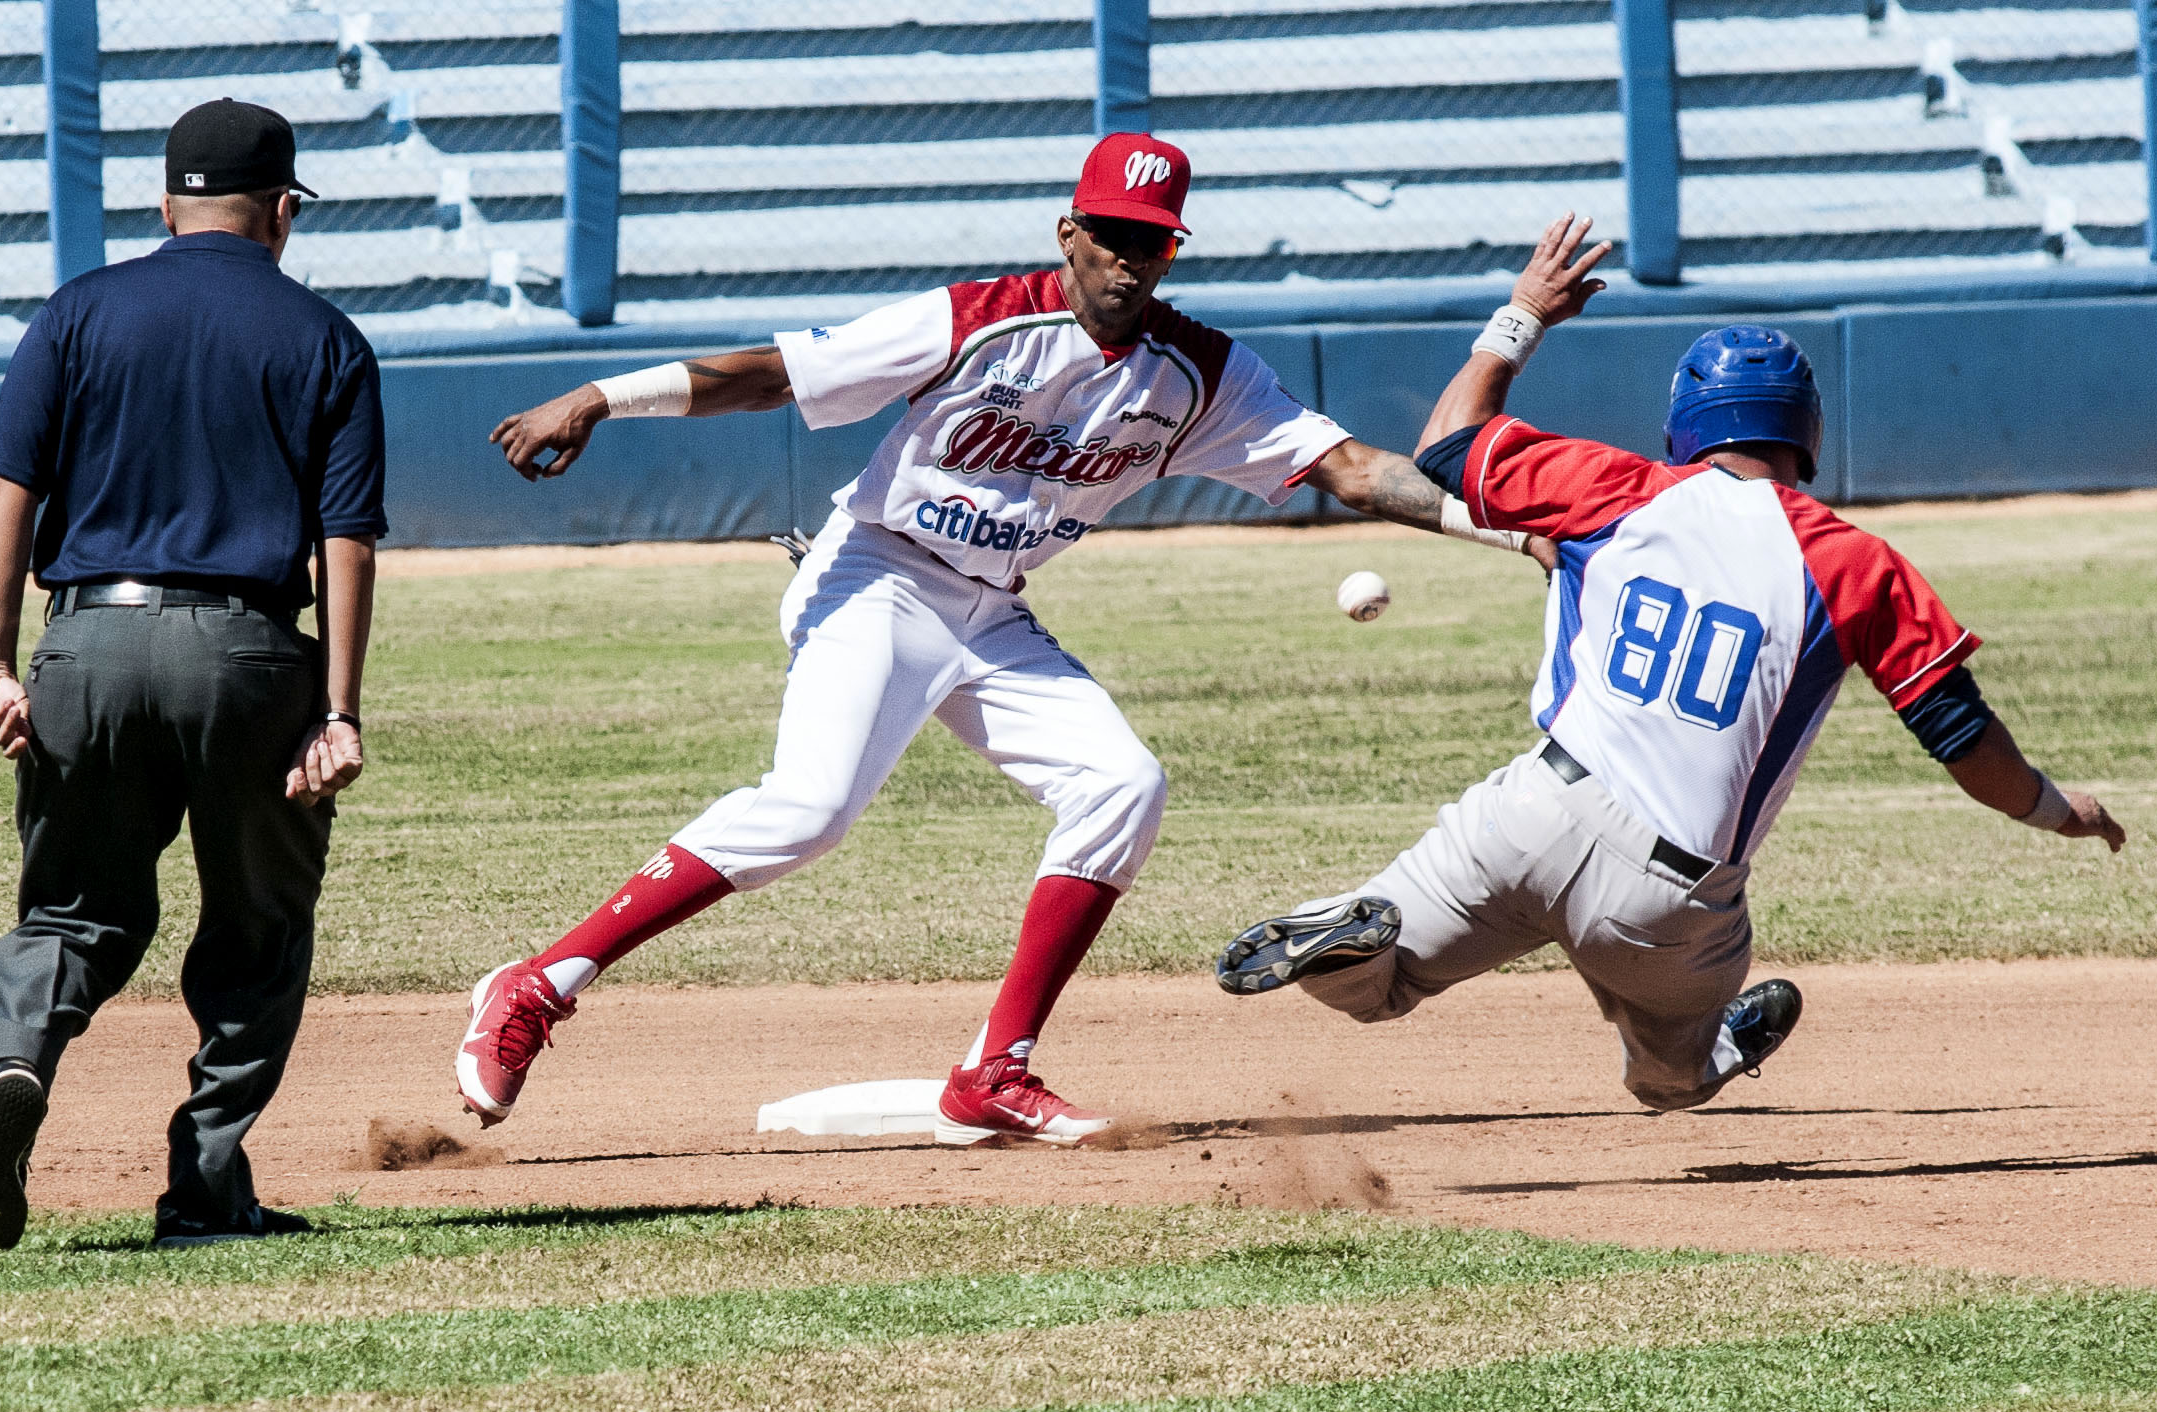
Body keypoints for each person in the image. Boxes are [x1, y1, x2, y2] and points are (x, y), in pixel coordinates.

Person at [460, 133, 1553, 1145]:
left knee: (1122, 783)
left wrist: (1516, 526)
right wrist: (604, 394)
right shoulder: (975, 318)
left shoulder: (1201, 374)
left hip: (989, 607)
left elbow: (1352, 469)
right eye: (1111, 237)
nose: (1127, 264)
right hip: (875, 572)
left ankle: (994, 1067)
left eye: (1151, 244)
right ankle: (539, 981)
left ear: (1172, 251)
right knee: (808, 809)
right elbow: (773, 374)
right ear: (1067, 232)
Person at [1215, 214, 2125, 1111]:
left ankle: (1358, 935)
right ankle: (1699, 1055)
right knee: (1671, 1073)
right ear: (1805, 435)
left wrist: (1524, 309)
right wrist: (2056, 808)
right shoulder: (1854, 563)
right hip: (1669, 898)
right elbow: (1960, 736)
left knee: (1380, 985)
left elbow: (1448, 446)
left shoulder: (1614, 492)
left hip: (1534, 811)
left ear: (1684, 425)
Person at [0, 99, 385, 1249]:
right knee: (257, 928)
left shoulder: (77, 311)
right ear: (281, 211)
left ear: (165, 205)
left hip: (89, 641)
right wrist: (338, 709)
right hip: (250, 653)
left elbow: (5, 488)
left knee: (75, 906)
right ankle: (206, 1189)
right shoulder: (325, 336)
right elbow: (348, 539)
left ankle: (21, 1050)